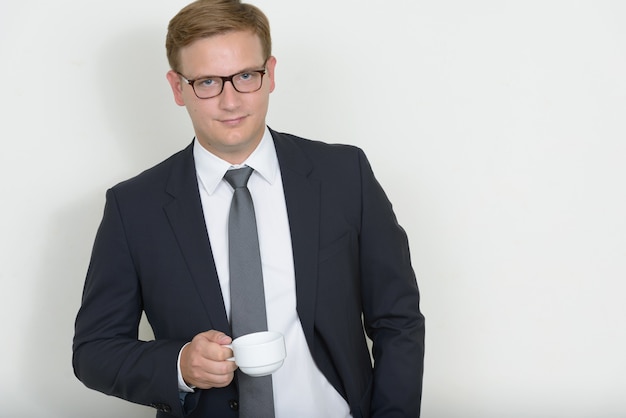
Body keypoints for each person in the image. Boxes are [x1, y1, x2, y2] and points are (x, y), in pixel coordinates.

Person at [72, 0, 425, 417]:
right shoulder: (133, 208)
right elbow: (94, 351)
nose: (231, 101)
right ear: (177, 87)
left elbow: (397, 318)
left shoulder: (345, 176)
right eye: (207, 82)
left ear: (270, 74)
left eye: (245, 76)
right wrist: (180, 364)